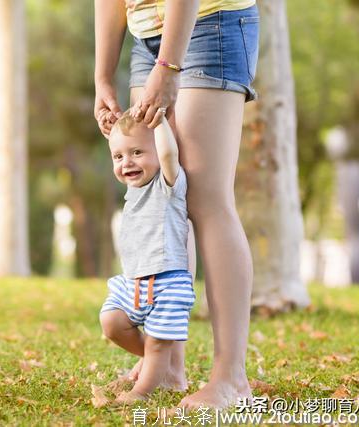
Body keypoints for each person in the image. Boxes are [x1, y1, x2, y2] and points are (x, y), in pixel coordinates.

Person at [94, 0, 259, 409]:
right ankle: (167, 369)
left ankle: (231, 378)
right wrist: (101, 77)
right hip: (145, 34)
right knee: (160, 196)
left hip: (210, 21)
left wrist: (168, 66)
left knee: (206, 197)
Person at [100, 110, 195, 404]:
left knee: (156, 344)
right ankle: (158, 362)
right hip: (133, 282)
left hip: (166, 283)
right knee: (111, 322)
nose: (127, 162)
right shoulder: (132, 191)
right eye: (118, 156)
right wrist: (115, 128)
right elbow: (121, 144)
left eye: (138, 152)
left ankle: (142, 390)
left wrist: (159, 122)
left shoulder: (167, 185)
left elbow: (167, 152)